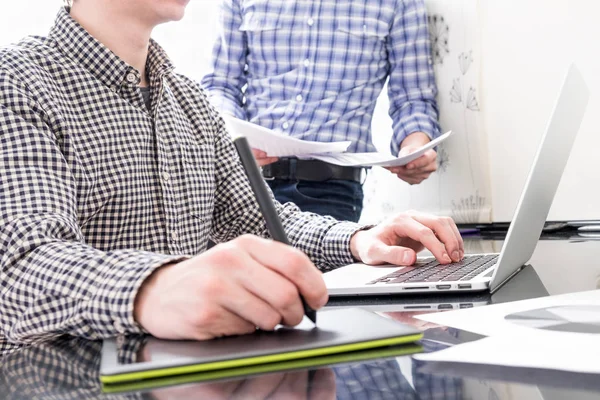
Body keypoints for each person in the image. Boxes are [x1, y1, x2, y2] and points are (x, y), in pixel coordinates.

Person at [0, 0, 463, 355]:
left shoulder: (189, 101)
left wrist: (359, 241)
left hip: (191, 374)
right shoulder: (18, 81)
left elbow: (256, 220)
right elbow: (21, 266)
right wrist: (153, 287)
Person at [202, 0, 440, 222]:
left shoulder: (400, 3)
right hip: (242, 183)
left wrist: (415, 148)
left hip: (331, 192)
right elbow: (220, 85)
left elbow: (413, 99)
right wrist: (234, 140)